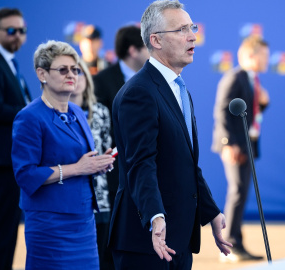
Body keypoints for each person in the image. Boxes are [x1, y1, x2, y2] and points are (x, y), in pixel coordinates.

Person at [108, 1, 231, 269]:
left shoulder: (179, 89)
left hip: (179, 237)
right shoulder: (138, 93)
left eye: (192, 27)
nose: (192, 35)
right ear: (156, 40)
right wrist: (155, 216)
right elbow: (141, 163)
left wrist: (212, 213)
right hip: (146, 241)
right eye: (181, 29)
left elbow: (185, 163)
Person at [11, 40, 114, 269]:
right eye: (63, 69)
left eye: (74, 69)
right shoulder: (29, 117)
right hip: (50, 224)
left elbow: (81, 161)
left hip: (84, 221)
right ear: (42, 74)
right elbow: (25, 175)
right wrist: (78, 168)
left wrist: (98, 164)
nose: (71, 74)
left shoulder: (77, 111)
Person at [212, 36, 269, 262]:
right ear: (250, 55)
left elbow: (252, 112)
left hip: (247, 144)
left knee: (242, 193)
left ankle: (237, 242)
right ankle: (228, 246)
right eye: (264, 55)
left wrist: (264, 102)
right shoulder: (235, 77)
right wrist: (228, 143)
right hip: (234, 145)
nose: (267, 60)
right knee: (237, 192)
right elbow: (221, 111)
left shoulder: (253, 79)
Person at [0, 8, 31, 269]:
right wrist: (31, 112)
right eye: (11, 31)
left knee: (6, 232)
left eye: (22, 31)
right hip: (1, 161)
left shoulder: (9, 62)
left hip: (10, 161)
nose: (18, 36)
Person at [94, 25, 150, 213]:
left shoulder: (154, 78)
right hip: (114, 171)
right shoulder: (101, 81)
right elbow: (99, 126)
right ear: (133, 51)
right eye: (147, 48)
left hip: (148, 168)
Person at [70, 60, 115, 269]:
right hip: (68, 196)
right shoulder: (54, 113)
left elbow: (107, 145)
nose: (75, 78)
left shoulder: (101, 112)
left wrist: (106, 161)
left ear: (87, 79)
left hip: (101, 197)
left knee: (101, 258)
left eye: (79, 73)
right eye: (68, 72)